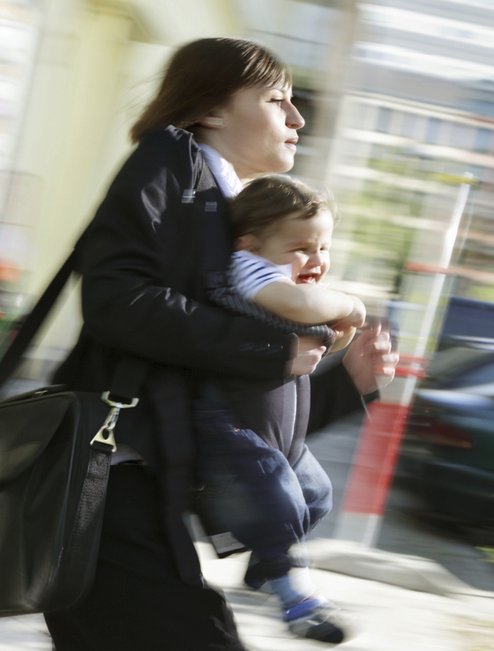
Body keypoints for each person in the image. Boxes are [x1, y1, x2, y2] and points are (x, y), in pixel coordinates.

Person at [45, 38, 398, 651]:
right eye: (276, 100)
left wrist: (346, 384)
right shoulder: (173, 163)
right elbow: (117, 302)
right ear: (211, 110)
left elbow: (239, 419)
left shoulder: (234, 217)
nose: (297, 119)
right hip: (109, 480)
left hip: (147, 489)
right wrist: (272, 352)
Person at [194, 174, 365, 644]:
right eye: (302, 247)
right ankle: (297, 597)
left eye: (324, 247)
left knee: (315, 495)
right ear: (250, 244)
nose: (316, 259)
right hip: (231, 423)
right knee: (276, 492)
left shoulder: (285, 281)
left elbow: (315, 337)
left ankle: (266, 568)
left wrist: (338, 335)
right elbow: (294, 301)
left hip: (276, 431)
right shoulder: (250, 270)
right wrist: (348, 303)